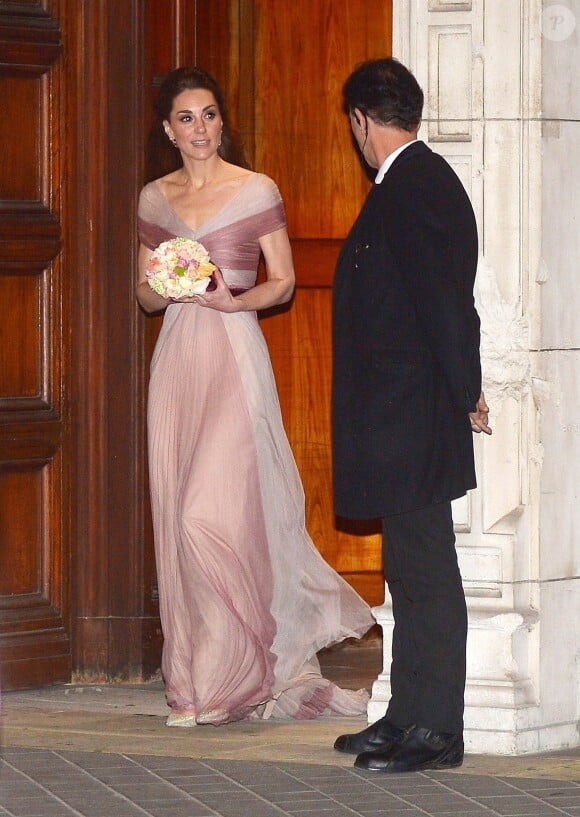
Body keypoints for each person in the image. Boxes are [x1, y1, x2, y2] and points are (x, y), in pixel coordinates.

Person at [136, 66, 374, 728]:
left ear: (221, 121)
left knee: (209, 517)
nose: (202, 128)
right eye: (187, 118)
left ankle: (241, 670)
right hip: (179, 359)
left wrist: (230, 297)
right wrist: (171, 280)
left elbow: (286, 282)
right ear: (167, 129)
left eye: (210, 114)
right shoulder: (154, 199)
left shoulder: (255, 188)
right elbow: (145, 296)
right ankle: (199, 681)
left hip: (235, 350)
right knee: (177, 518)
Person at [331, 58, 492, 772]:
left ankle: (439, 728)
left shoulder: (416, 186)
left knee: (427, 572)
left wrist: (466, 390)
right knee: (408, 568)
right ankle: (404, 714)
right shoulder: (410, 183)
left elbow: (445, 304)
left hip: (414, 415)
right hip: (398, 415)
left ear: (361, 121)